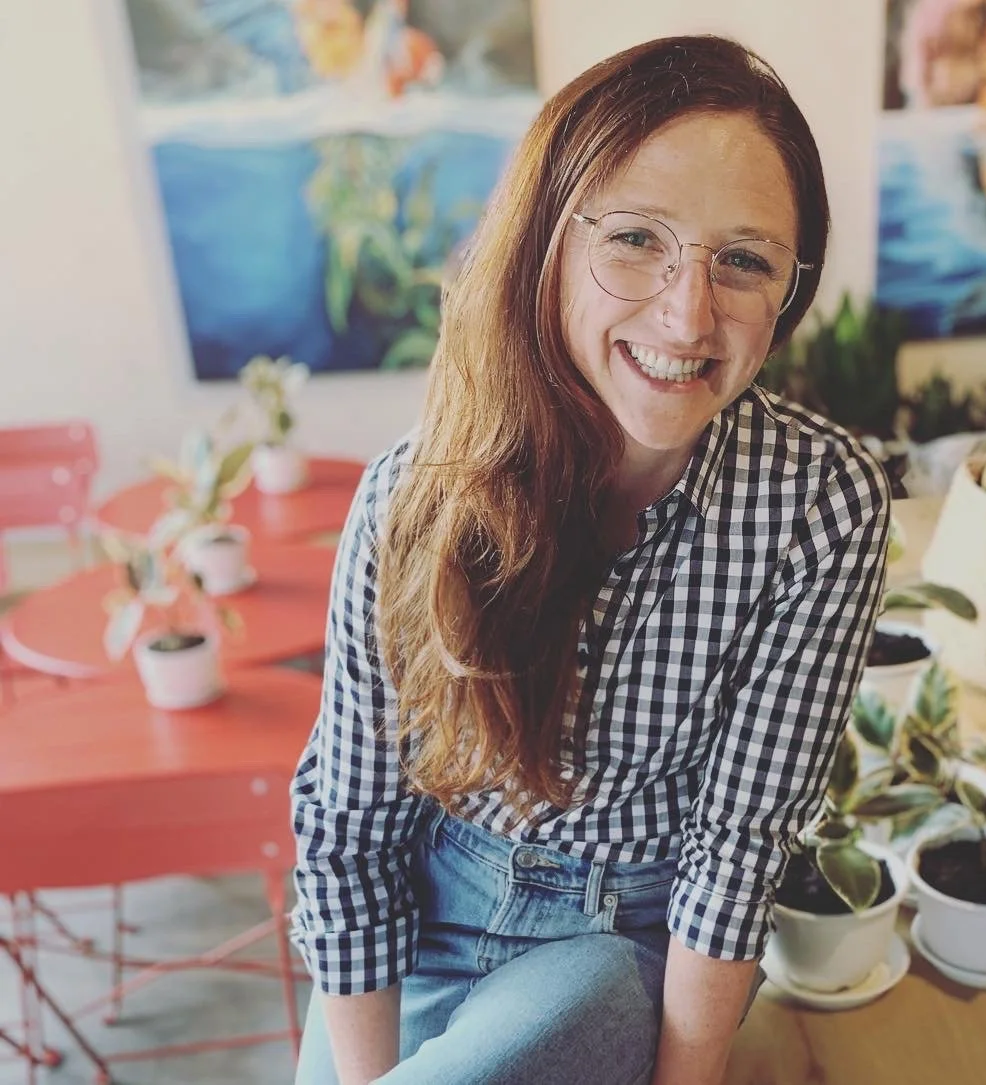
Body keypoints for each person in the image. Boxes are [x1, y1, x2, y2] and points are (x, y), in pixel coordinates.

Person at [289, 34, 891, 1085]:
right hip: (431, 912)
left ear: (787, 291)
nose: (688, 313)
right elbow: (351, 825)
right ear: (548, 243)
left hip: (626, 944)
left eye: (743, 259)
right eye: (636, 239)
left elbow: (736, 847)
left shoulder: (820, 505)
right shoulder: (411, 494)